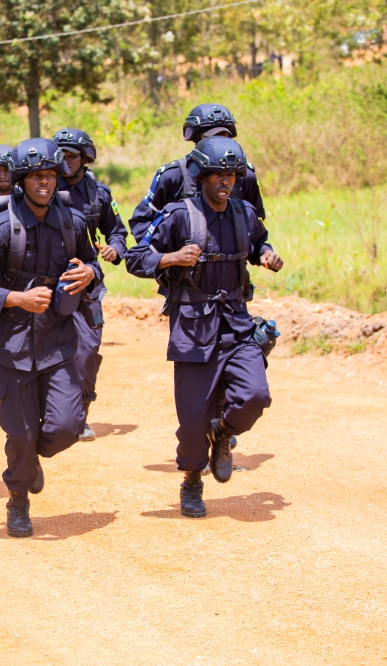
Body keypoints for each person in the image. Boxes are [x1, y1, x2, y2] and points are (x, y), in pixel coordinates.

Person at [124, 136, 282, 518]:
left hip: (236, 322)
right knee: (193, 418)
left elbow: (260, 241)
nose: (226, 181)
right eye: (218, 175)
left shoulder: (244, 212)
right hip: (193, 327)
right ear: (202, 177)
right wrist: (171, 257)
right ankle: (193, 479)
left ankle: (224, 434)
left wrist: (266, 255)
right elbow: (135, 257)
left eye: (231, 174)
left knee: (256, 396)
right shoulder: (179, 214)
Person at [0, 138, 101, 538]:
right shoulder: (1, 226)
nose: (44, 182)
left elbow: (91, 263)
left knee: (66, 427)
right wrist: (17, 298)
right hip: (13, 344)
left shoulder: (73, 221)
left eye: (50, 175)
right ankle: (18, 499)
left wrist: (91, 273)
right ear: (22, 180)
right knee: (20, 432)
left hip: (59, 338)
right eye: (36, 176)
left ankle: (30, 459)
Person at [52, 128, 129, 441]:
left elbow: (118, 232)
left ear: (85, 158)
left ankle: (81, 413)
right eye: (61, 156)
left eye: (71, 156)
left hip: (87, 284)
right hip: (47, 282)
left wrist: (114, 249)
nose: (65, 162)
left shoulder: (100, 193)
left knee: (87, 350)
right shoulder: (42, 186)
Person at [127, 103, 265, 243]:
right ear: (196, 139)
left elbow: (256, 223)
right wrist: (167, 257)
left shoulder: (244, 175)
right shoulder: (172, 176)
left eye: (224, 136)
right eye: (213, 137)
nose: (219, 142)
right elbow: (141, 223)